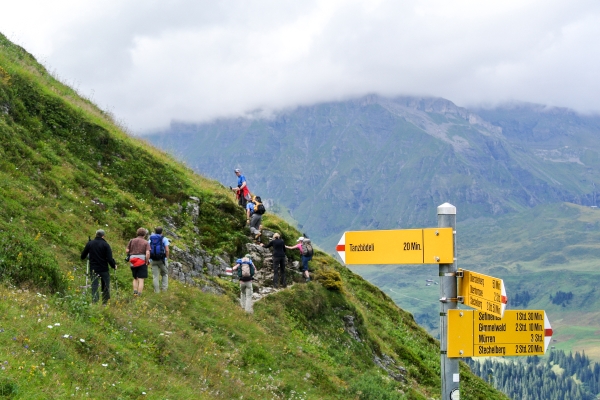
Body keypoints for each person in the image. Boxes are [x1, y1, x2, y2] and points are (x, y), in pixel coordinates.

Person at [81, 229, 117, 304]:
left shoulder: (90, 243)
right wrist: (114, 266)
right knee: (105, 286)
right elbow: (109, 259)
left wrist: (89, 255)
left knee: (94, 285)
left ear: (96, 234)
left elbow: (82, 256)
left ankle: (95, 301)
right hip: (104, 269)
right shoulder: (106, 245)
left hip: (93, 268)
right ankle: (105, 302)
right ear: (103, 236)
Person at [126, 228, 151, 296]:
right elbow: (148, 253)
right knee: (141, 279)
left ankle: (135, 292)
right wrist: (146, 261)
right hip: (141, 260)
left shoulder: (132, 241)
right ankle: (139, 294)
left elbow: (127, 250)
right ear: (144, 234)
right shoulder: (146, 242)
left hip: (133, 260)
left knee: (135, 278)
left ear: (137, 233)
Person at [148, 227, 170, 293]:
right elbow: (167, 250)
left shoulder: (150, 239)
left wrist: (149, 259)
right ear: (162, 232)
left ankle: (156, 291)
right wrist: (166, 257)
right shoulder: (164, 239)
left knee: (155, 276)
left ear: (155, 231)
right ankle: (164, 290)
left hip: (153, 259)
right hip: (162, 260)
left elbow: (148, 250)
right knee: (165, 274)